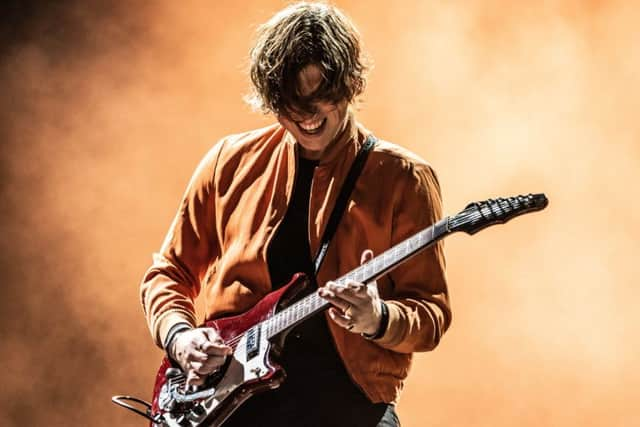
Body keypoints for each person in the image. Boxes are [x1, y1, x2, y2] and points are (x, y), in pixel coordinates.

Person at [140, 2, 451, 426]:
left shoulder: (403, 179)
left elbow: (431, 315)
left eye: (320, 98)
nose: (305, 117)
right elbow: (168, 273)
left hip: (349, 410)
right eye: (290, 103)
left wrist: (378, 318)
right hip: (233, 409)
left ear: (350, 84)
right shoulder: (228, 162)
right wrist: (180, 338)